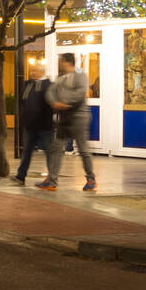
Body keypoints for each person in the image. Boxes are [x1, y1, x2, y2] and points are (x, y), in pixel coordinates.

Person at [45, 53, 95, 192]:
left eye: (61, 61)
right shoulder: (60, 77)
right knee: (57, 148)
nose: (59, 64)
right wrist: (54, 102)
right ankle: (52, 181)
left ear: (67, 62)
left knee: (83, 149)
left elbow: (80, 93)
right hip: (64, 117)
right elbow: (50, 91)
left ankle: (91, 179)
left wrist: (64, 103)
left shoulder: (80, 76)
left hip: (79, 117)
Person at [13, 65, 53, 185]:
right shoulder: (27, 85)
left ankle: (52, 179)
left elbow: (51, 104)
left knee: (48, 153)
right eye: (31, 70)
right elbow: (22, 102)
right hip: (30, 126)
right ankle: (20, 177)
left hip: (44, 126)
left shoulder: (47, 85)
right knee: (26, 152)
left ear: (42, 71)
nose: (32, 73)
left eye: (35, 70)